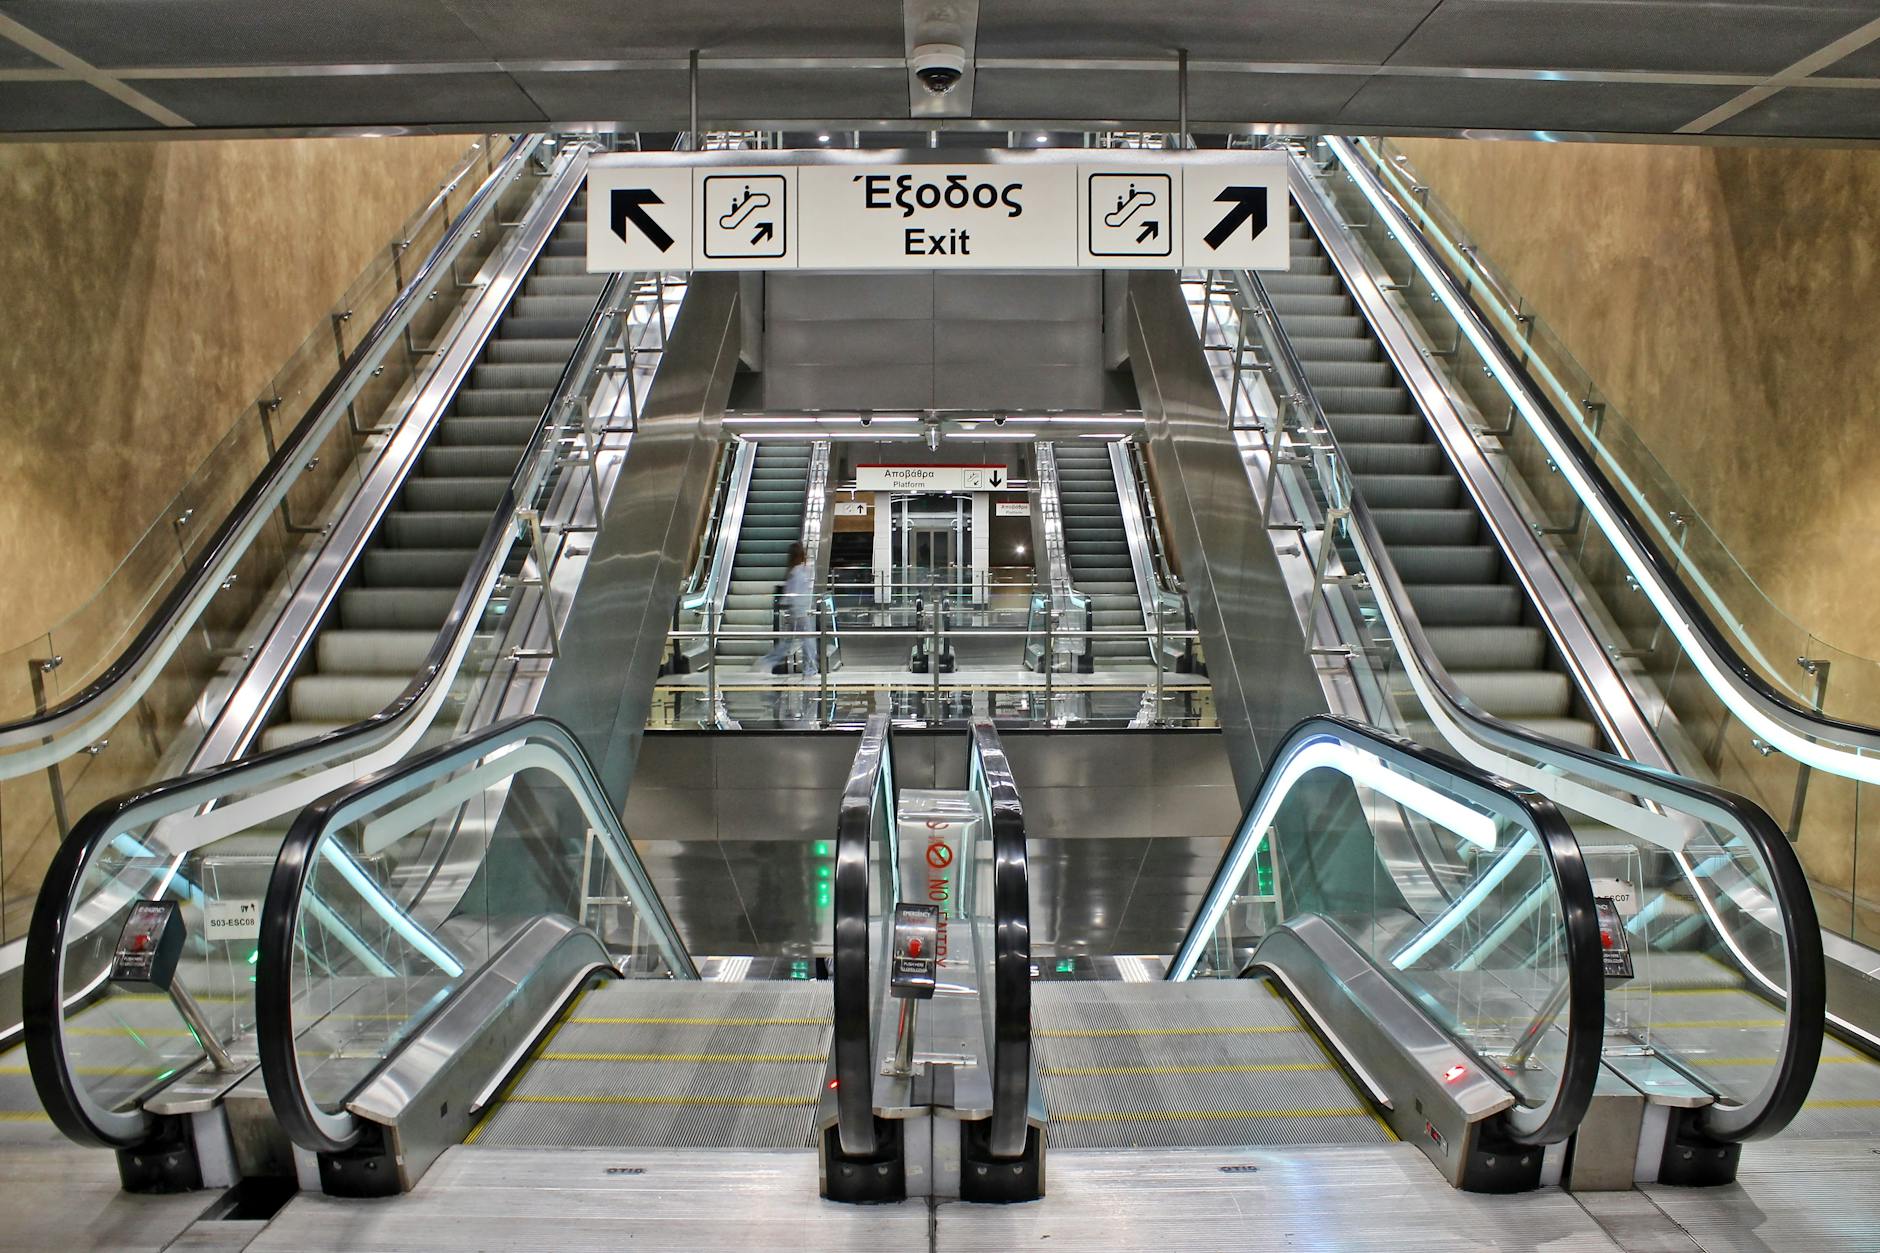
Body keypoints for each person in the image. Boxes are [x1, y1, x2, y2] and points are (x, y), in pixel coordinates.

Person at [756, 542, 818, 677]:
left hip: (797, 612)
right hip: (800, 613)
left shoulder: (795, 571)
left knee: (789, 643)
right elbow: (795, 594)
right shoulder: (799, 572)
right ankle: (809, 669)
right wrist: (799, 612)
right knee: (808, 642)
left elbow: (790, 593)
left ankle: (767, 661)